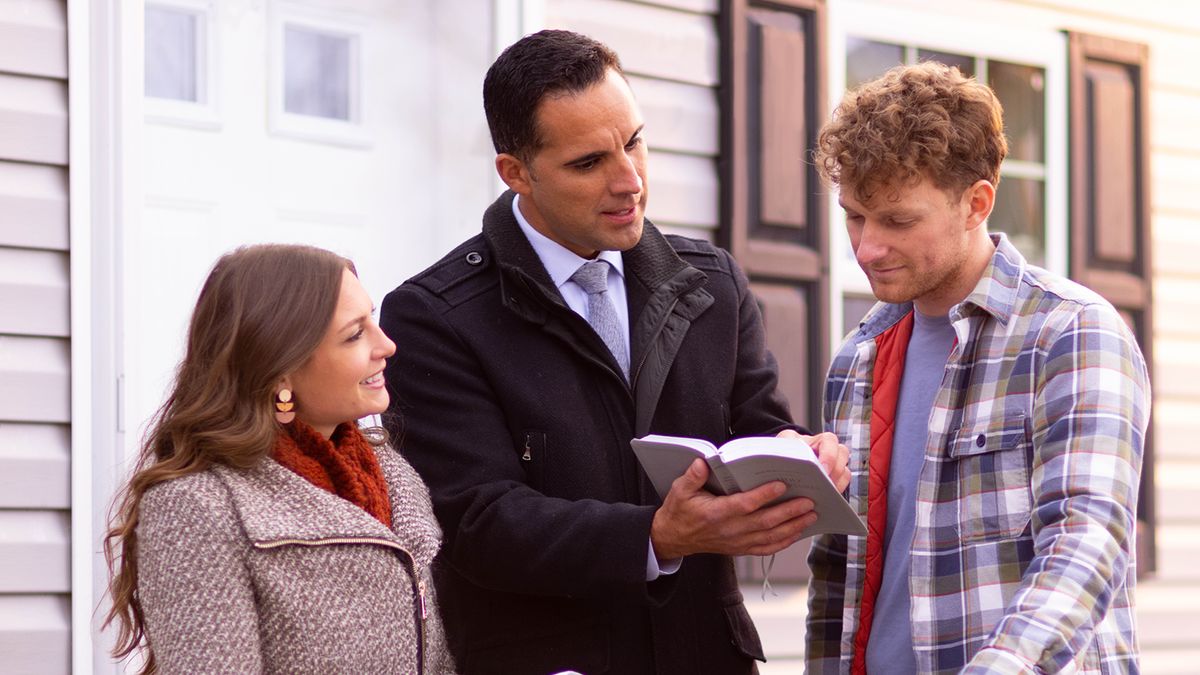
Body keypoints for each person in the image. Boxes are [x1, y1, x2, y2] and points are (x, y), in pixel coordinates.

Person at [379, 29, 850, 675]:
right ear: (516, 173)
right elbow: (477, 524)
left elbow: (758, 426)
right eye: (589, 162)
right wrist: (657, 536)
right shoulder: (432, 317)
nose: (630, 180)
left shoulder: (714, 282)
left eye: (633, 142)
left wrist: (798, 455)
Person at [805, 62, 1151, 674]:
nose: (867, 247)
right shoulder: (857, 358)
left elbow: (1086, 545)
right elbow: (840, 577)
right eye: (855, 215)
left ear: (976, 203)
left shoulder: (1072, 332)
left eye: (898, 220)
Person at [104, 244, 456, 674]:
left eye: (373, 320)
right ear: (280, 370)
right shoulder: (197, 506)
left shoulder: (392, 474)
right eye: (354, 334)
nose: (387, 345)